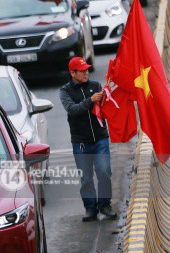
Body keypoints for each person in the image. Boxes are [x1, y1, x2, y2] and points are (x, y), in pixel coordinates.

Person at [60, 57, 116, 222]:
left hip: (100, 138)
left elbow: (104, 107)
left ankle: (105, 205)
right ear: (72, 73)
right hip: (81, 142)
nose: (86, 73)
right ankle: (90, 209)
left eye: (87, 70)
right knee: (86, 178)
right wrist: (90, 101)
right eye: (82, 71)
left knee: (104, 171)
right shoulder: (65, 91)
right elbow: (72, 110)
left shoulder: (95, 86)